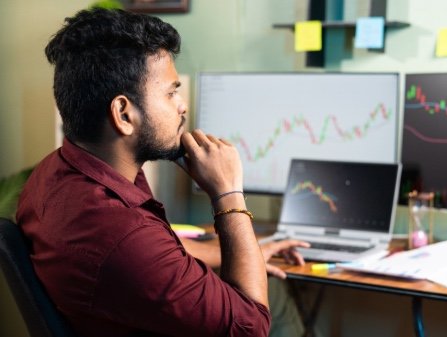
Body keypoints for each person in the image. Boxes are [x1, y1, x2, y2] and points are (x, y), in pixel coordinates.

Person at [16, 8, 308, 337]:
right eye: (170, 92)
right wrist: (227, 192)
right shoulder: (121, 232)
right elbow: (250, 327)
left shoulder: (55, 173)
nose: (182, 105)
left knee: (275, 288)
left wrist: (247, 252)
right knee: (275, 302)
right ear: (124, 114)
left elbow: (157, 250)